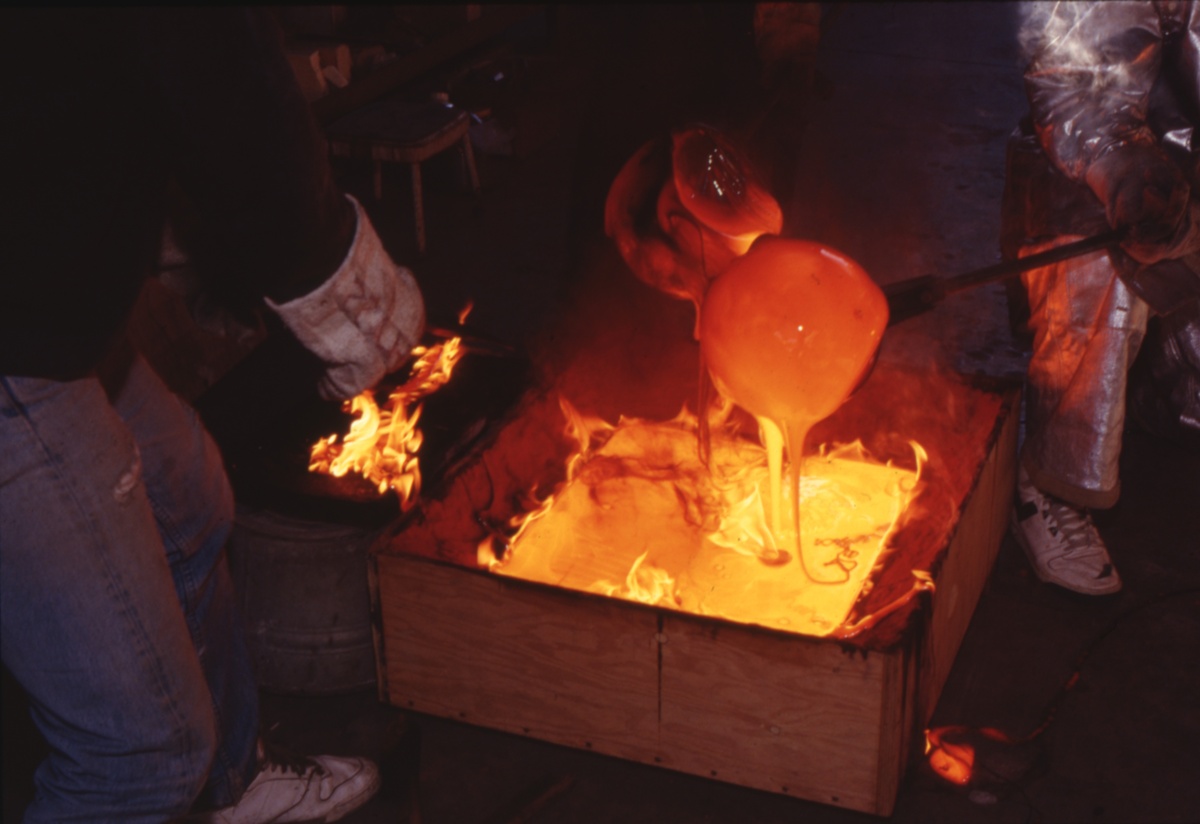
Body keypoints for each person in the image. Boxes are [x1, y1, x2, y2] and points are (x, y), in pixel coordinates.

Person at [1, 9, 424, 822]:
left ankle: (230, 788)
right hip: (17, 342)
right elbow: (231, 91)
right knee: (137, 752)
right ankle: (182, 773)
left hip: (49, 297)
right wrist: (349, 297)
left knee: (187, 499)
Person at [1003, 1, 1200, 595]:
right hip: (1142, 170)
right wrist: (1125, 172)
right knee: (1095, 240)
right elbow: (1079, 82)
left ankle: (1156, 391)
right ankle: (1052, 482)